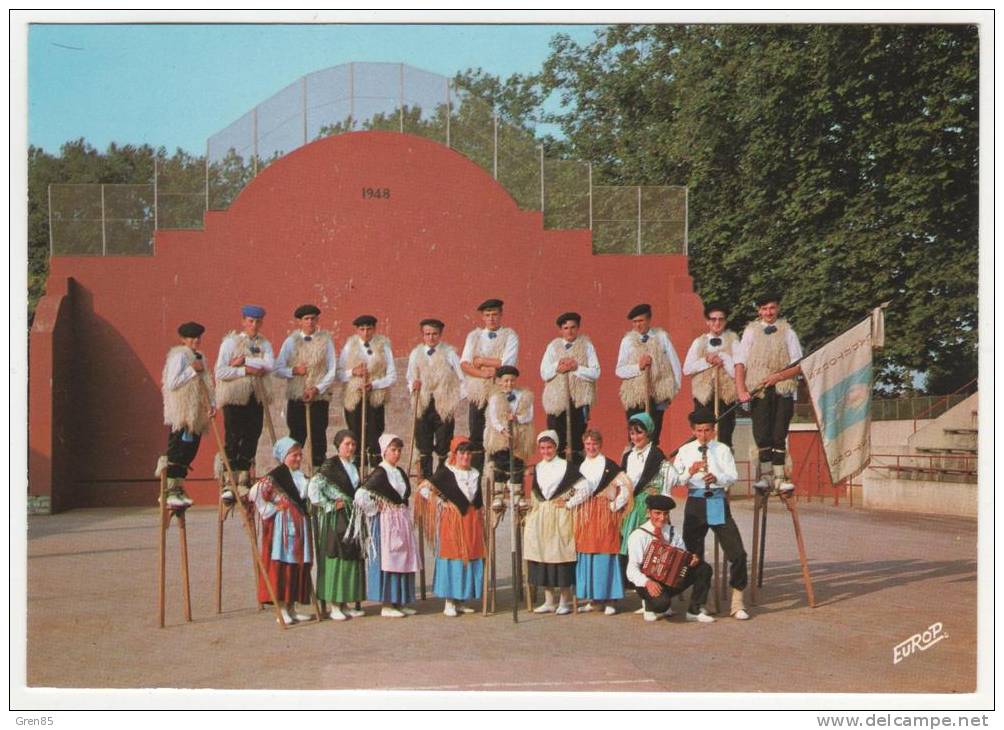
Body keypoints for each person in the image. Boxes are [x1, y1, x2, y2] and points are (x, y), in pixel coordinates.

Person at [671, 410, 750, 620]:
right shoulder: (685, 450)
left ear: (713, 431)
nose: (703, 434)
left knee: (738, 552)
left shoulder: (722, 449)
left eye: (707, 430)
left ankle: (737, 601)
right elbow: (677, 480)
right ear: (693, 431)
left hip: (716, 499)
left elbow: (733, 477)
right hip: (695, 502)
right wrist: (690, 471)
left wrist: (717, 477)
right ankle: (699, 604)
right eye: (699, 431)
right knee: (693, 556)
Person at [734, 293, 804, 492]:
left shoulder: (788, 331)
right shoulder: (750, 332)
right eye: (764, 309)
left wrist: (779, 377)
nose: (768, 312)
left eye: (772, 308)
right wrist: (741, 390)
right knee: (762, 432)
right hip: (760, 389)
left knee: (779, 433)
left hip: (783, 388)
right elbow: (740, 362)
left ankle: (780, 477)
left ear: (778, 308)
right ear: (759, 311)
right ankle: (765, 476)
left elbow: (799, 365)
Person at [353, 434, 422, 618]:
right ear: (384, 451)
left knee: (404, 559)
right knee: (389, 560)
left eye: (399, 450)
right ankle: (387, 603)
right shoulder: (379, 473)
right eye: (393, 450)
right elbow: (360, 495)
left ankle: (399, 601)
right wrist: (375, 506)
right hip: (386, 522)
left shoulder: (398, 472)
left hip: (400, 520)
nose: (397, 453)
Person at [249, 437, 315, 625]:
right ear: (284, 456)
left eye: (300, 455)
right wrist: (273, 509)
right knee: (283, 567)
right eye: (294, 455)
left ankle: (292, 608)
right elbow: (255, 493)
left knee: (296, 566)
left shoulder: (301, 476)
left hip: (300, 527)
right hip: (283, 530)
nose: (298, 458)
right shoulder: (276, 477)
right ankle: (282, 609)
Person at [416, 437, 485, 617]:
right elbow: (423, 489)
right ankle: (449, 601)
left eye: (469, 453)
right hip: (452, 522)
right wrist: (441, 503)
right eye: (462, 453)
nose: (466, 456)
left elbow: (478, 501)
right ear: (455, 454)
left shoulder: (475, 473)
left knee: (469, 557)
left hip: (471, 522)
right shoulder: (446, 473)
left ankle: (461, 599)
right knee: (453, 556)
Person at [565, 429, 630, 615]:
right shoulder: (581, 467)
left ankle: (610, 599)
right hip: (585, 514)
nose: (591, 447)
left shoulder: (609, 465)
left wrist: (614, 506)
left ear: (600, 445)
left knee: (606, 553)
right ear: (584, 446)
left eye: (594, 444)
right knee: (587, 553)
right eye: (588, 444)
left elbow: (625, 487)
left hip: (604, 514)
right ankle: (594, 599)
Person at [214, 304, 274, 501]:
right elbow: (221, 371)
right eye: (250, 321)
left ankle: (242, 478)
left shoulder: (264, 344)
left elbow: (269, 365)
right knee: (233, 436)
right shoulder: (230, 343)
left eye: (257, 322)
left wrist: (244, 362)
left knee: (252, 435)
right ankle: (229, 480)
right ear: (243, 321)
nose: (254, 325)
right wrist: (244, 370)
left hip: (255, 396)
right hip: (235, 396)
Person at [625, 494, 715, 623]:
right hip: (648, 583)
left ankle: (694, 611)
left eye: (665, 514)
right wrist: (647, 582)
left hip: (671, 579)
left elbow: (682, 555)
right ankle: (649, 605)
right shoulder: (638, 535)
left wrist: (691, 559)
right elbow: (632, 569)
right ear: (648, 512)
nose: (662, 518)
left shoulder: (672, 532)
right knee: (661, 605)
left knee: (704, 568)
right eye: (657, 513)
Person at [307, 430, 366, 620]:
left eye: (353, 444)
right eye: (347, 444)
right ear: (338, 445)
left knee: (350, 558)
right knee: (337, 557)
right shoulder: (330, 466)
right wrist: (329, 505)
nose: (350, 448)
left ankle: (345, 602)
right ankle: (334, 605)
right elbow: (313, 488)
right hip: (336, 519)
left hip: (352, 516)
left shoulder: (354, 466)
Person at [523, 430, 582, 615]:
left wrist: (569, 502)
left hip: (560, 516)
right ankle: (549, 601)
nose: (546, 451)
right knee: (543, 557)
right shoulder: (538, 467)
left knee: (561, 556)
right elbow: (535, 491)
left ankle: (564, 601)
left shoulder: (567, 466)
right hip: (541, 516)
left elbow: (584, 487)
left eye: (549, 447)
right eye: (542, 447)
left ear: (556, 447)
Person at [274, 305, 338, 470]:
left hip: (318, 397)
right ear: (299, 322)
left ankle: (318, 473)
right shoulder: (290, 341)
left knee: (318, 436)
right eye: (306, 319)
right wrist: (295, 370)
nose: (310, 322)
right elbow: (278, 368)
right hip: (297, 396)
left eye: (312, 318)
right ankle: (292, 473)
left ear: (317, 320)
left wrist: (317, 388)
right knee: (296, 436)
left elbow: (331, 369)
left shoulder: (326, 340)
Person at [160, 321, 215, 508]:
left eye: (198, 338)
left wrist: (212, 404)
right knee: (178, 448)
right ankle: (170, 489)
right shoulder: (179, 356)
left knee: (190, 450)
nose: (195, 341)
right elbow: (172, 383)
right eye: (191, 338)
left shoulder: (200, 357)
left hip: (196, 412)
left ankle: (179, 485)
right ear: (183, 339)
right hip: (183, 411)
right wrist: (193, 370)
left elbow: (206, 383)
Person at [460, 298, 519, 473]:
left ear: (501, 315)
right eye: (487, 315)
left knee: (499, 433)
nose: (491, 318)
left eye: (494, 314)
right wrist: (483, 373)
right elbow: (465, 363)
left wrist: (481, 360)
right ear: (482, 317)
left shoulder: (510, 336)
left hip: (500, 391)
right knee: (476, 435)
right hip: (478, 392)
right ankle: (476, 479)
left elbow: (507, 363)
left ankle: (498, 482)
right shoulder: (474, 336)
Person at [615, 303, 682, 447]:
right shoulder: (627, 341)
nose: (638, 325)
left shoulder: (661, 337)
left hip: (657, 393)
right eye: (635, 322)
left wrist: (673, 391)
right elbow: (619, 370)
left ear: (649, 320)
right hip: (635, 396)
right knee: (635, 433)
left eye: (641, 321)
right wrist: (638, 367)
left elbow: (675, 364)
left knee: (653, 434)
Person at [406, 318, 464, 480]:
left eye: (434, 334)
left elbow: (462, 377)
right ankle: (425, 480)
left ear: (440, 335)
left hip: (443, 403)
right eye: (427, 334)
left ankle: (441, 478)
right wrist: (413, 386)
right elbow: (410, 377)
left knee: (444, 442)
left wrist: (454, 398)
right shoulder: (416, 353)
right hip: (423, 402)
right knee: (423, 443)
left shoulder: (449, 353)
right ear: (423, 335)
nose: (431, 337)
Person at [618, 412, 669, 589]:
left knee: (651, 546)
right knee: (633, 544)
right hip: (631, 506)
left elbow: (665, 480)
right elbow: (623, 482)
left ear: (648, 433)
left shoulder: (656, 454)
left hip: (649, 505)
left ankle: (654, 588)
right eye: (632, 433)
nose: (635, 437)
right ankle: (639, 586)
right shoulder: (627, 456)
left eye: (639, 432)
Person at [540, 311, 600, 461]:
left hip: (578, 400)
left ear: (578, 328)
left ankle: (576, 473)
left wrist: (577, 368)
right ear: (560, 330)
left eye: (573, 327)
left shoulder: (586, 346)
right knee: (556, 438)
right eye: (566, 328)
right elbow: (544, 373)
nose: (570, 331)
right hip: (557, 401)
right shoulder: (553, 347)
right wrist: (557, 366)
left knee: (577, 440)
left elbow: (595, 372)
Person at [339, 314, 397, 470]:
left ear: (374, 329)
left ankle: (376, 472)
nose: (365, 333)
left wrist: (375, 384)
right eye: (362, 329)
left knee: (375, 434)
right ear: (356, 330)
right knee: (355, 434)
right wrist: (353, 372)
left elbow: (392, 376)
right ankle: (357, 472)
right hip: (354, 396)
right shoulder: (349, 347)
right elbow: (339, 374)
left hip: (375, 397)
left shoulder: (383, 346)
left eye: (369, 329)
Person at [683, 302, 739, 449]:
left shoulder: (733, 341)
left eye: (721, 319)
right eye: (713, 319)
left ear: (725, 321)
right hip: (703, 396)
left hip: (726, 396)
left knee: (725, 434)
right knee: (703, 434)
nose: (717, 323)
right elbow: (687, 369)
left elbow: (737, 370)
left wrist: (724, 359)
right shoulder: (699, 342)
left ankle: (724, 466)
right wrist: (707, 361)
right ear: (707, 321)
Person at [483, 365, 535, 507]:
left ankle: (517, 494)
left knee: (517, 462)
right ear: (500, 381)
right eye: (506, 381)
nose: (509, 384)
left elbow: (529, 415)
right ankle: (498, 495)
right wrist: (502, 429)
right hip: (501, 435)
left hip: (519, 434)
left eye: (512, 381)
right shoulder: (495, 397)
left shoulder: (524, 396)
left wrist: (517, 418)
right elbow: (493, 417)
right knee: (500, 462)